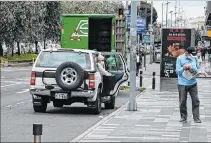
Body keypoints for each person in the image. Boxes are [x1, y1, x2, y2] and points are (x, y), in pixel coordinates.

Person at [175, 46, 201, 123]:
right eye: (190, 54)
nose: (192, 56)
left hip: (193, 82)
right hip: (182, 83)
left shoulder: (195, 58)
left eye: (193, 54)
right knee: (182, 101)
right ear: (187, 53)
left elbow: (198, 69)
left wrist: (192, 68)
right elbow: (178, 72)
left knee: (195, 100)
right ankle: (183, 117)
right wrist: (184, 68)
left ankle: (196, 118)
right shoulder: (180, 59)